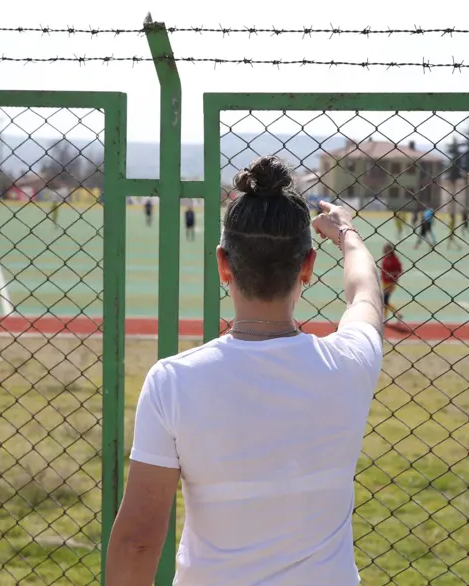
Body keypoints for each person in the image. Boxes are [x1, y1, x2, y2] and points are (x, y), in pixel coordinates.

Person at [106, 155, 384, 586]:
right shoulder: (350, 362)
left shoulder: (173, 381)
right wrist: (346, 232)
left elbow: (138, 542)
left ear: (223, 264)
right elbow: (364, 293)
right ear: (307, 266)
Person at [380, 242, 404, 322]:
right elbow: (383, 270)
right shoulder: (385, 258)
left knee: (385, 299)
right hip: (384, 282)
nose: (387, 251)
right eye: (385, 250)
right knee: (385, 301)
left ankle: (385, 317)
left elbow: (399, 270)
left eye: (388, 250)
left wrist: (392, 274)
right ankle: (397, 314)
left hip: (391, 282)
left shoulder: (395, 259)